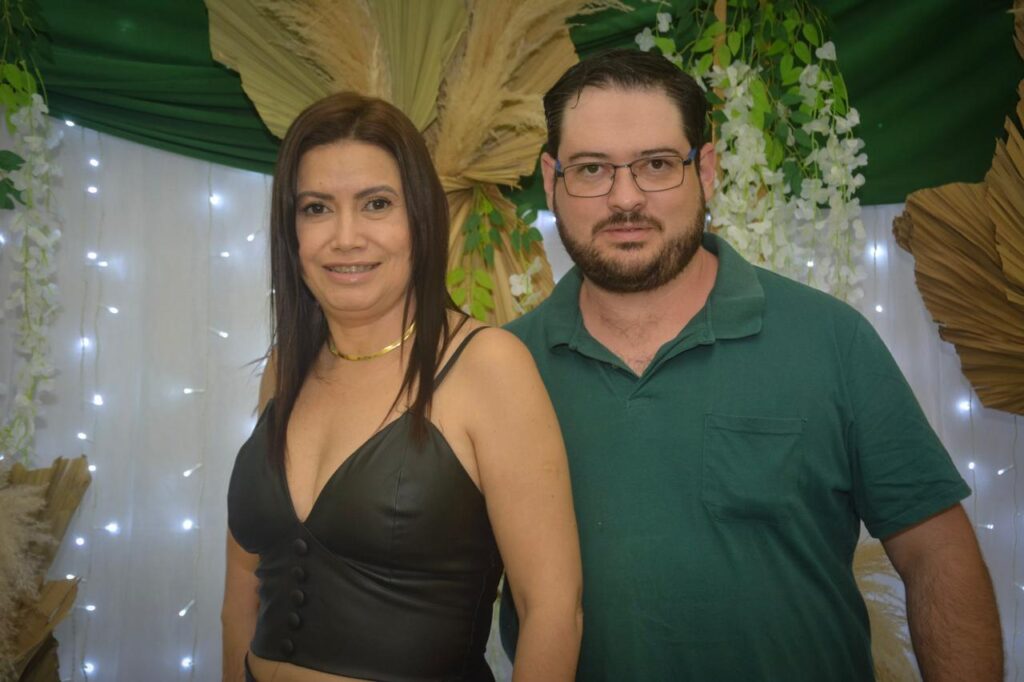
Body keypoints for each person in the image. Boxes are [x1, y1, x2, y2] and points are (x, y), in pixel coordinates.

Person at [499, 49, 1003, 681]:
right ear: (551, 179)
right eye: (592, 169)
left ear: (706, 170)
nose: (625, 199)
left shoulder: (830, 339)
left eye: (657, 164)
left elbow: (937, 556)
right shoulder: (503, 370)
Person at [222, 92, 582, 682]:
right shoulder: (286, 367)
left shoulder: (488, 366)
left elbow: (553, 612)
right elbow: (242, 585)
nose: (345, 237)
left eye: (376, 204)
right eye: (316, 208)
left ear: (420, 217)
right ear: (291, 230)